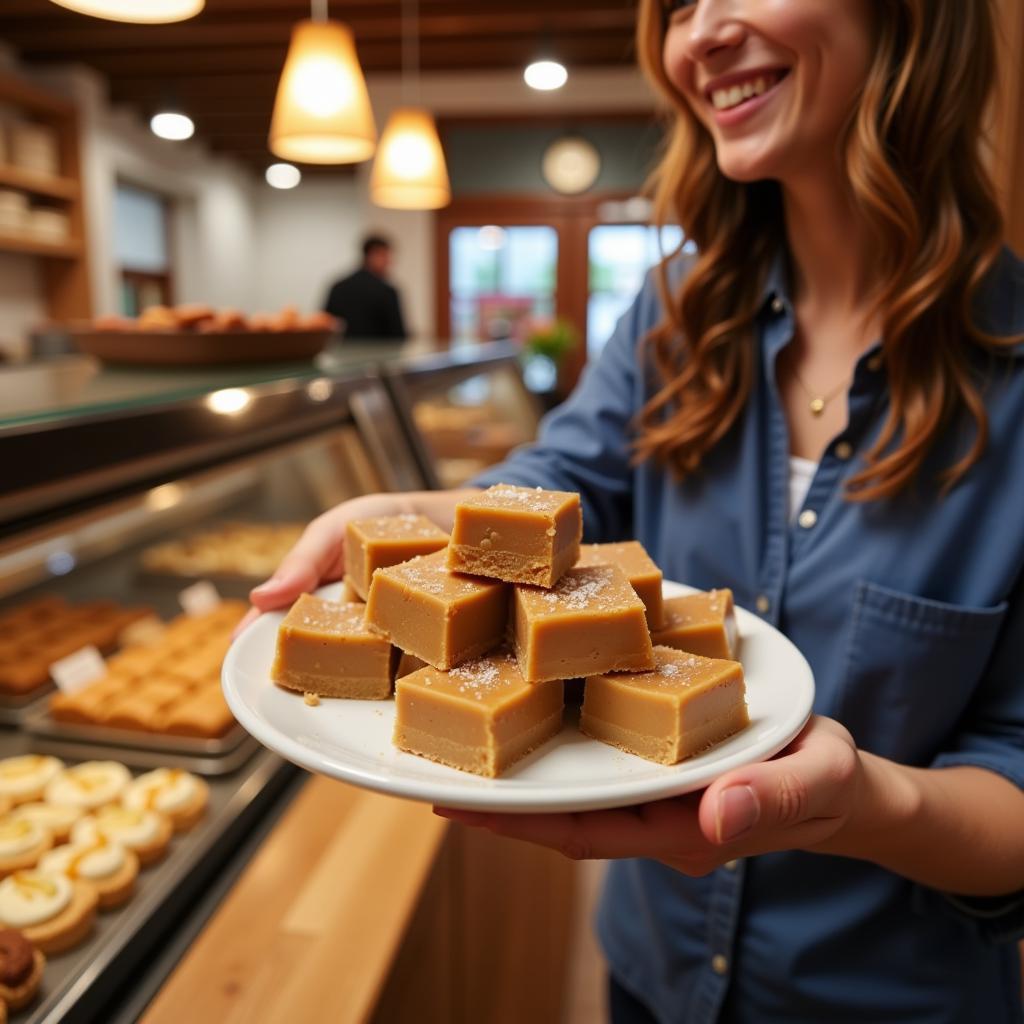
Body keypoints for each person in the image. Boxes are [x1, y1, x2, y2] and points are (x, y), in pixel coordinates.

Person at [244, 0, 1024, 1020]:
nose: (699, 34)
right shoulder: (673, 312)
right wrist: (400, 516)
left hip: (879, 994)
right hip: (649, 968)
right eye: (679, 5)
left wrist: (866, 803)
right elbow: (551, 486)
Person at [323, 234, 408, 340]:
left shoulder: (338, 287)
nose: (389, 262)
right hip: (381, 354)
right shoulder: (387, 291)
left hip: (342, 354)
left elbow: (324, 326)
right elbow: (398, 336)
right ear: (372, 255)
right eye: (385, 256)